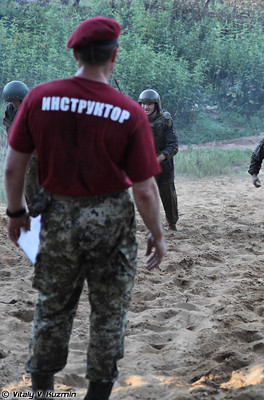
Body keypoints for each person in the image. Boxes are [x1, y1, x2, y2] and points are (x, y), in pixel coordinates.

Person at [4, 16, 166, 400]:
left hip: (56, 218)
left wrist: (15, 213)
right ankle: (97, 395)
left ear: (75, 53)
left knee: (52, 309)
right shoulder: (129, 112)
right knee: (108, 314)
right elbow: (144, 189)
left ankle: (42, 391)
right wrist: (157, 234)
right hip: (111, 220)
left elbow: (14, 164)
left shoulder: (39, 99)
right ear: (114, 57)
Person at [138, 89, 179, 231]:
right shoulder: (136, 119)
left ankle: (172, 222)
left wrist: (158, 159)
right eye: (143, 103)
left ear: (156, 105)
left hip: (164, 165)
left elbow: (173, 145)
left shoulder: (165, 120)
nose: (146, 107)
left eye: (149, 103)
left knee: (167, 194)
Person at [3, 80, 41, 207]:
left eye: (15, 101)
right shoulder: (11, 109)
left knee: (31, 183)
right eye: (11, 101)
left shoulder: (34, 108)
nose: (13, 104)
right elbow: (10, 129)